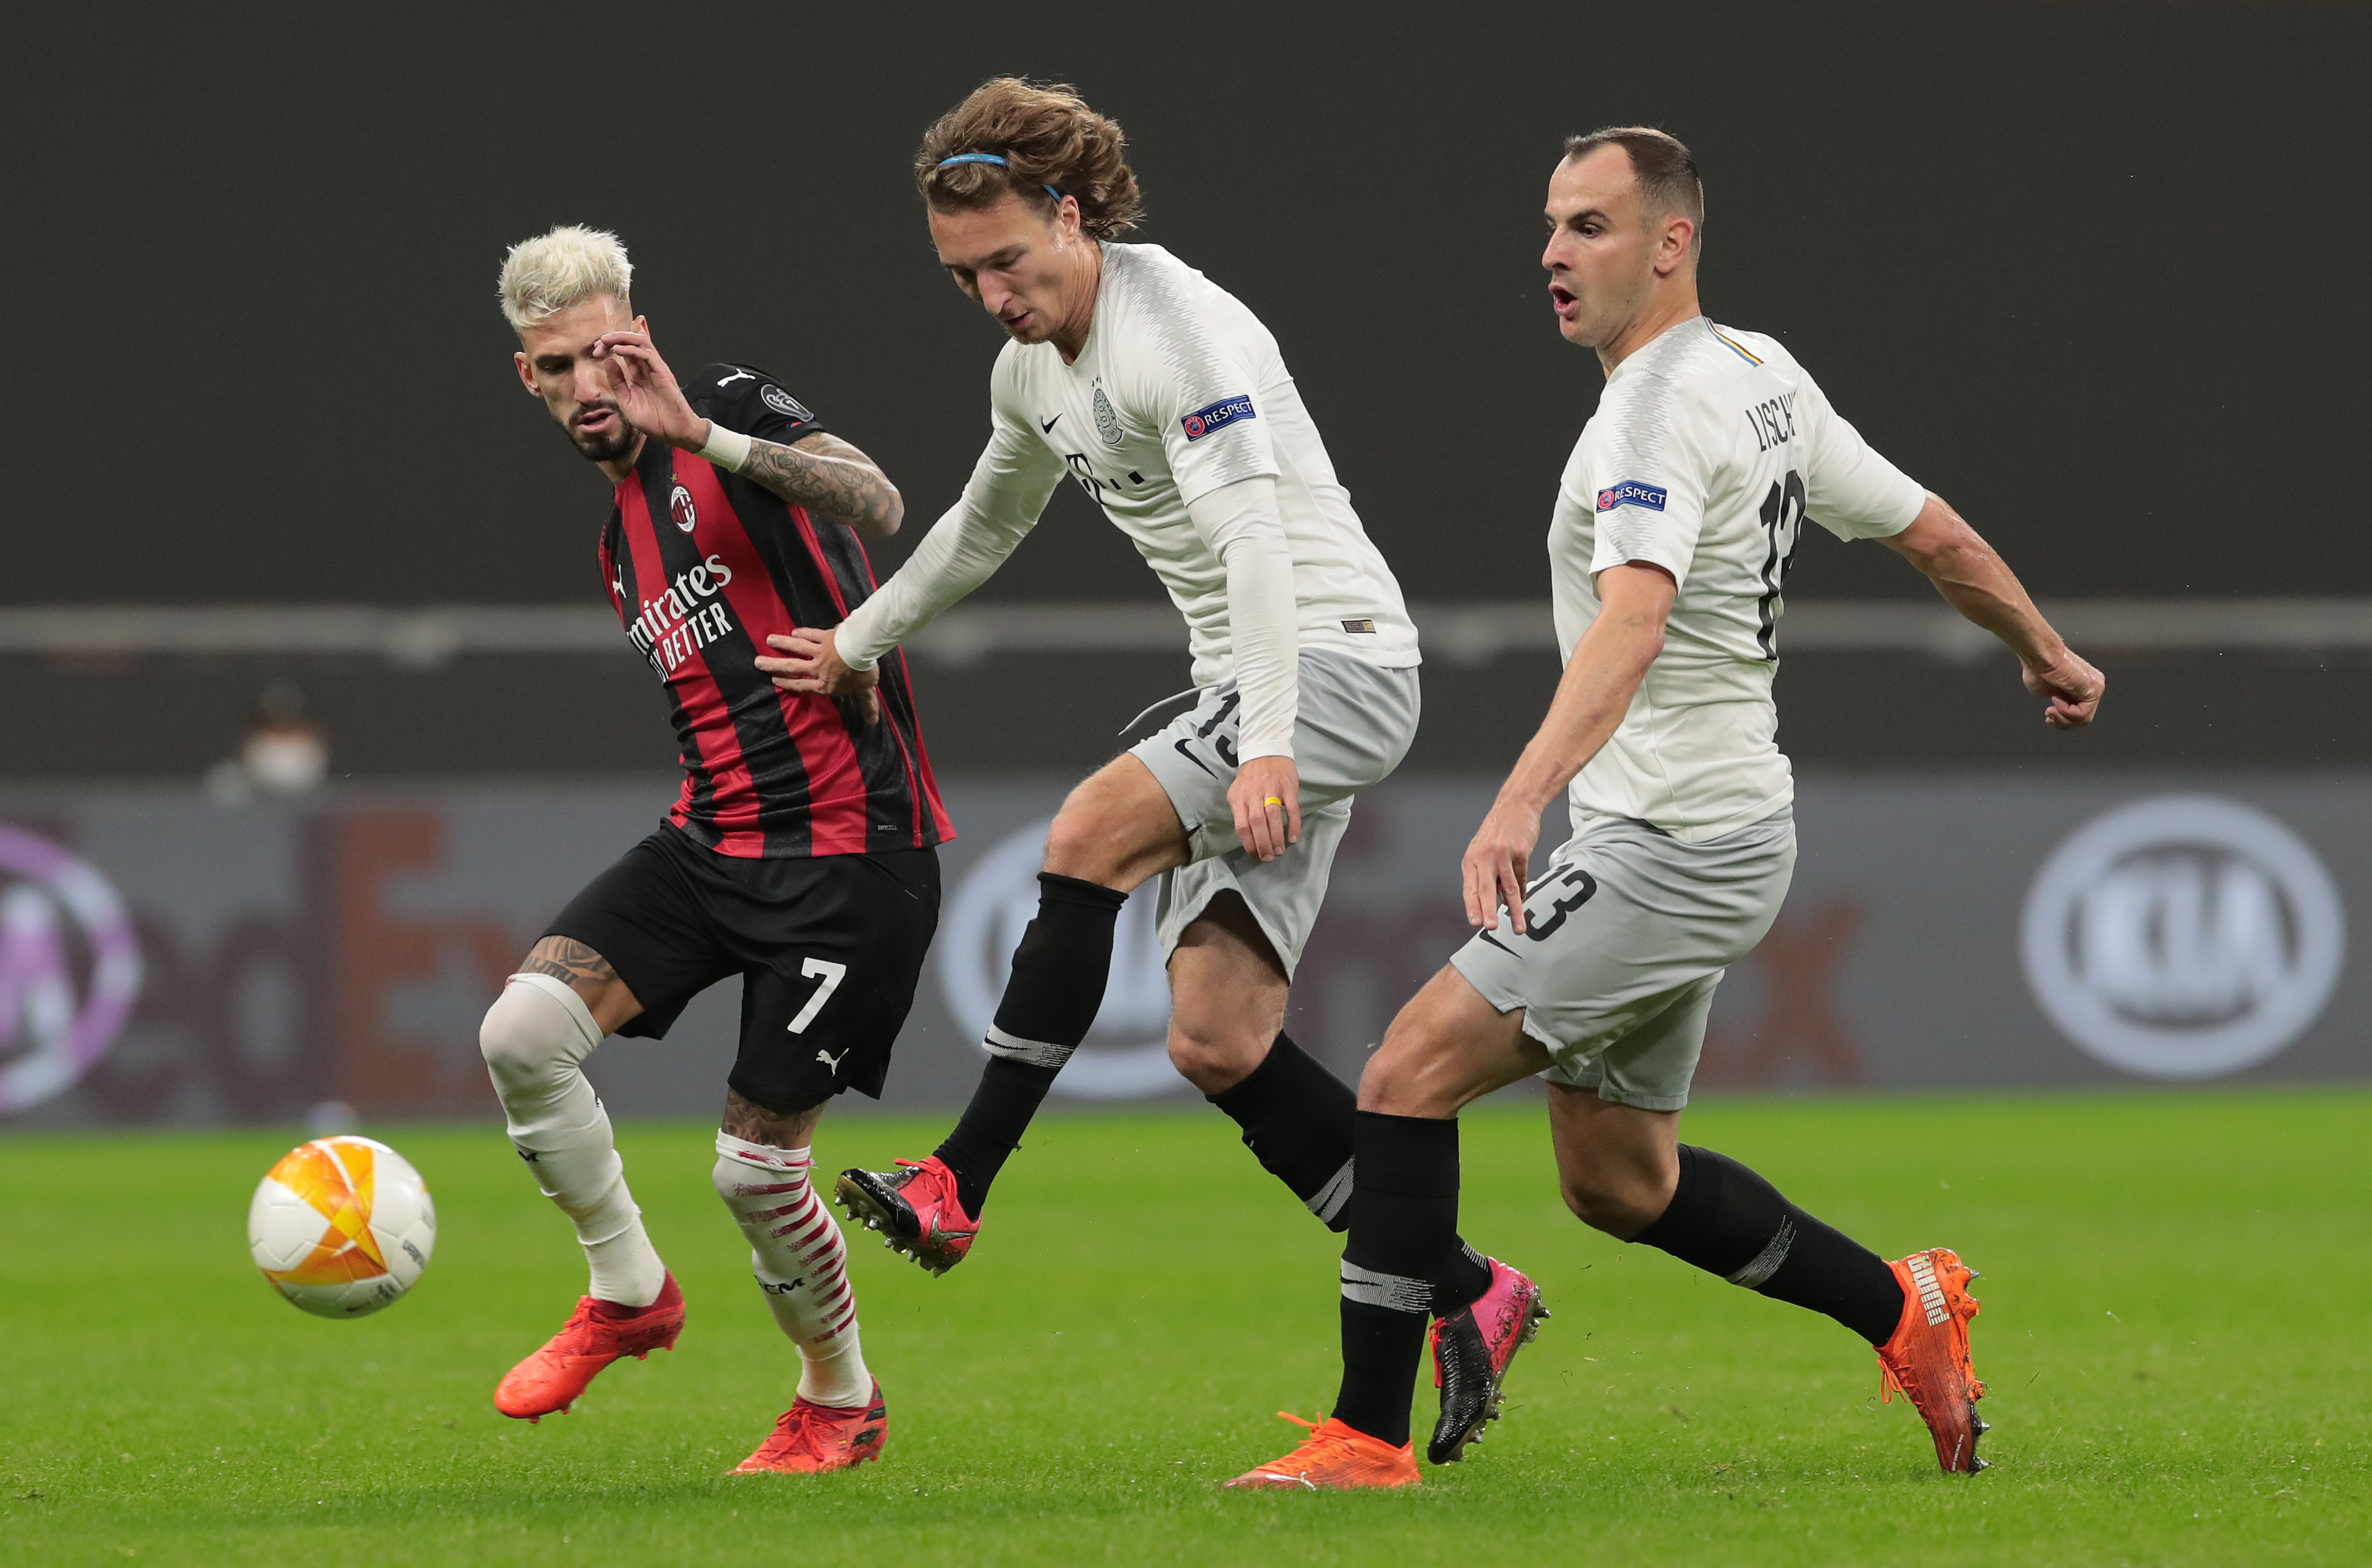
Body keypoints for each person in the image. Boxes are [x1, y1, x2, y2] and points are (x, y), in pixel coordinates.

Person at [1228, 128, 2105, 1491]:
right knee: (1619, 1181)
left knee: (1406, 1074)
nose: (1553, 253)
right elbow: (1933, 532)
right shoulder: (1762, 375)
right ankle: (1902, 1305)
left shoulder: (1649, 414)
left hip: (1674, 842)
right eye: (1550, 224)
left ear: (1671, 242)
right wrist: (2045, 649)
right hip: (1718, 828)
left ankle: (1367, 1436)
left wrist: (1519, 798)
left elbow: (1634, 621)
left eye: (1588, 225)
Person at [767, 79, 1546, 1465]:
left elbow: (1253, 539)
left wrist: (1265, 741)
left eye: (1010, 259)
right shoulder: (1029, 371)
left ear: (1072, 216)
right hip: (1259, 687)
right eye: (964, 275)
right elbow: (980, 526)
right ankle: (1466, 1285)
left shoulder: (1175, 330)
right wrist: (857, 641)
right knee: (1217, 1039)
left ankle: (960, 1176)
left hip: (1330, 665)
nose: (994, 294)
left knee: (1085, 833)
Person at [481, 224, 951, 1475]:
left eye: (604, 353)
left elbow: (879, 500)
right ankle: (628, 1291)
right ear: (527, 377)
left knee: (754, 1172)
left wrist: (704, 431)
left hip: (852, 858)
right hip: (708, 845)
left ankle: (839, 1399)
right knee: (520, 1035)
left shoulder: (726, 410)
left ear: (640, 336)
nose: (588, 384)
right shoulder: (615, 542)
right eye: (556, 367)